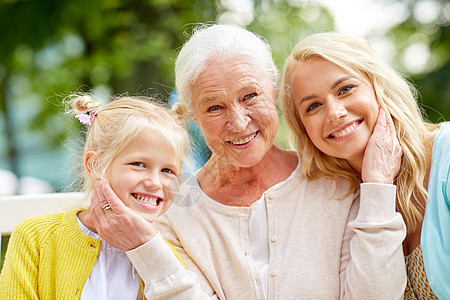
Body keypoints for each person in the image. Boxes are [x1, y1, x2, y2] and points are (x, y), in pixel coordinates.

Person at [85, 24, 407, 299]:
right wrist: (146, 246)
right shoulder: (175, 213)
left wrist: (378, 187)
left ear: (276, 90)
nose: (239, 123)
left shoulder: (335, 183)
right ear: (193, 116)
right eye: (214, 108)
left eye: (250, 96)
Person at [280, 32, 450, 299]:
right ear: (303, 128)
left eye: (345, 89)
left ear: (377, 85)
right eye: (314, 106)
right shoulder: (335, 199)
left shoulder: (447, 156)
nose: (335, 112)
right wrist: (376, 186)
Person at [0, 94, 189, 299]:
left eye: (168, 170)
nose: (155, 182)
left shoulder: (163, 256)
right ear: (95, 165)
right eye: (139, 164)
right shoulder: (35, 238)